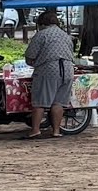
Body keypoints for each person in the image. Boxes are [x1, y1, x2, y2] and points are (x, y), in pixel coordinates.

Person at [23, 10, 77, 139]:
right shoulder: (66, 35)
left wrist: (32, 63)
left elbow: (30, 55)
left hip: (48, 70)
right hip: (68, 69)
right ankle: (56, 131)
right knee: (59, 102)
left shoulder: (41, 35)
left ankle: (35, 130)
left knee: (40, 101)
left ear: (41, 23)